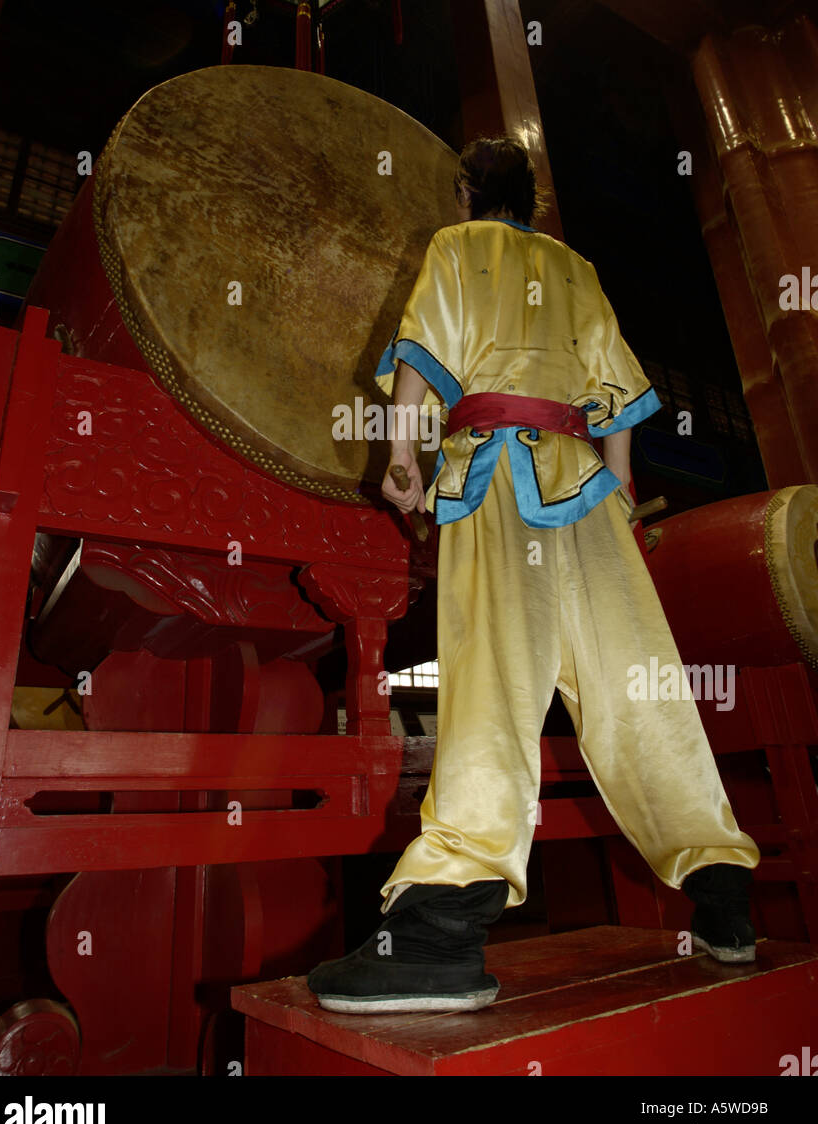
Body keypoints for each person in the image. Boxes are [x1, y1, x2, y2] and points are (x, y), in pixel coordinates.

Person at [307, 135, 760, 1015]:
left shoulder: (457, 247)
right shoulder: (576, 267)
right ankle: (723, 893)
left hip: (495, 481)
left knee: (491, 686)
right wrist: (620, 489)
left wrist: (400, 454)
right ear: (533, 198)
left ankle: (441, 930)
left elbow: (421, 362)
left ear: (470, 190)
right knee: (639, 685)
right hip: (585, 487)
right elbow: (620, 390)